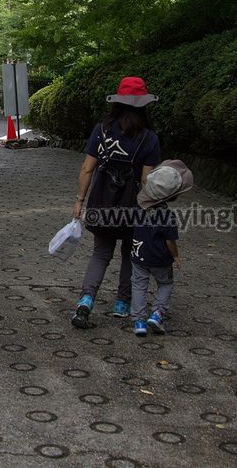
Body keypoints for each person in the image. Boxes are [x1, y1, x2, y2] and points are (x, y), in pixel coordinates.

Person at [71, 76, 161, 329]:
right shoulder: (149, 138)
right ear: (143, 105)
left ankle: (86, 300)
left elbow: (87, 169)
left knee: (100, 253)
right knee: (129, 254)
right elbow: (147, 180)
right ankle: (122, 304)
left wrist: (80, 200)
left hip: (101, 202)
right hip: (132, 206)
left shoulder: (102, 130)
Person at [130, 160, 193, 336]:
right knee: (165, 283)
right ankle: (157, 313)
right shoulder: (167, 216)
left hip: (139, 254)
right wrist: (176, 256)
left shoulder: (138, 208)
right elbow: (170, 241)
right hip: (161, 259)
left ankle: (139, 321)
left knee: (139, 285)